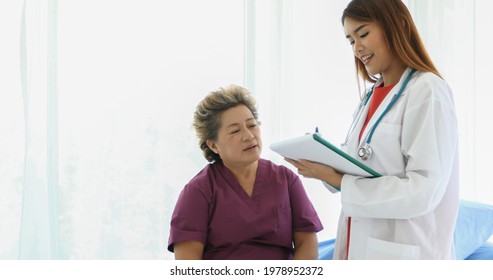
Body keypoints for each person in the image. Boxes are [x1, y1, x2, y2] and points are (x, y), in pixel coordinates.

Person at [285, 0, 459, 259]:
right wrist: (324, 162)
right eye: (351, 40)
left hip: (406, 253)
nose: (357, 48)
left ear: (397, 25)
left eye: (363, 34)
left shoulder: (427, 91)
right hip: (360, 247)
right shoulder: (370, 97)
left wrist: (339, 180)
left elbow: (424, 190)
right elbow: (362, 165)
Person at [167, 85, 323, 260]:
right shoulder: (199, 191)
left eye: (252, 125)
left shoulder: (286, 180)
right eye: (235, 131)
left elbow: (307, 242)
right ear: (213, 145)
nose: (249, 135)